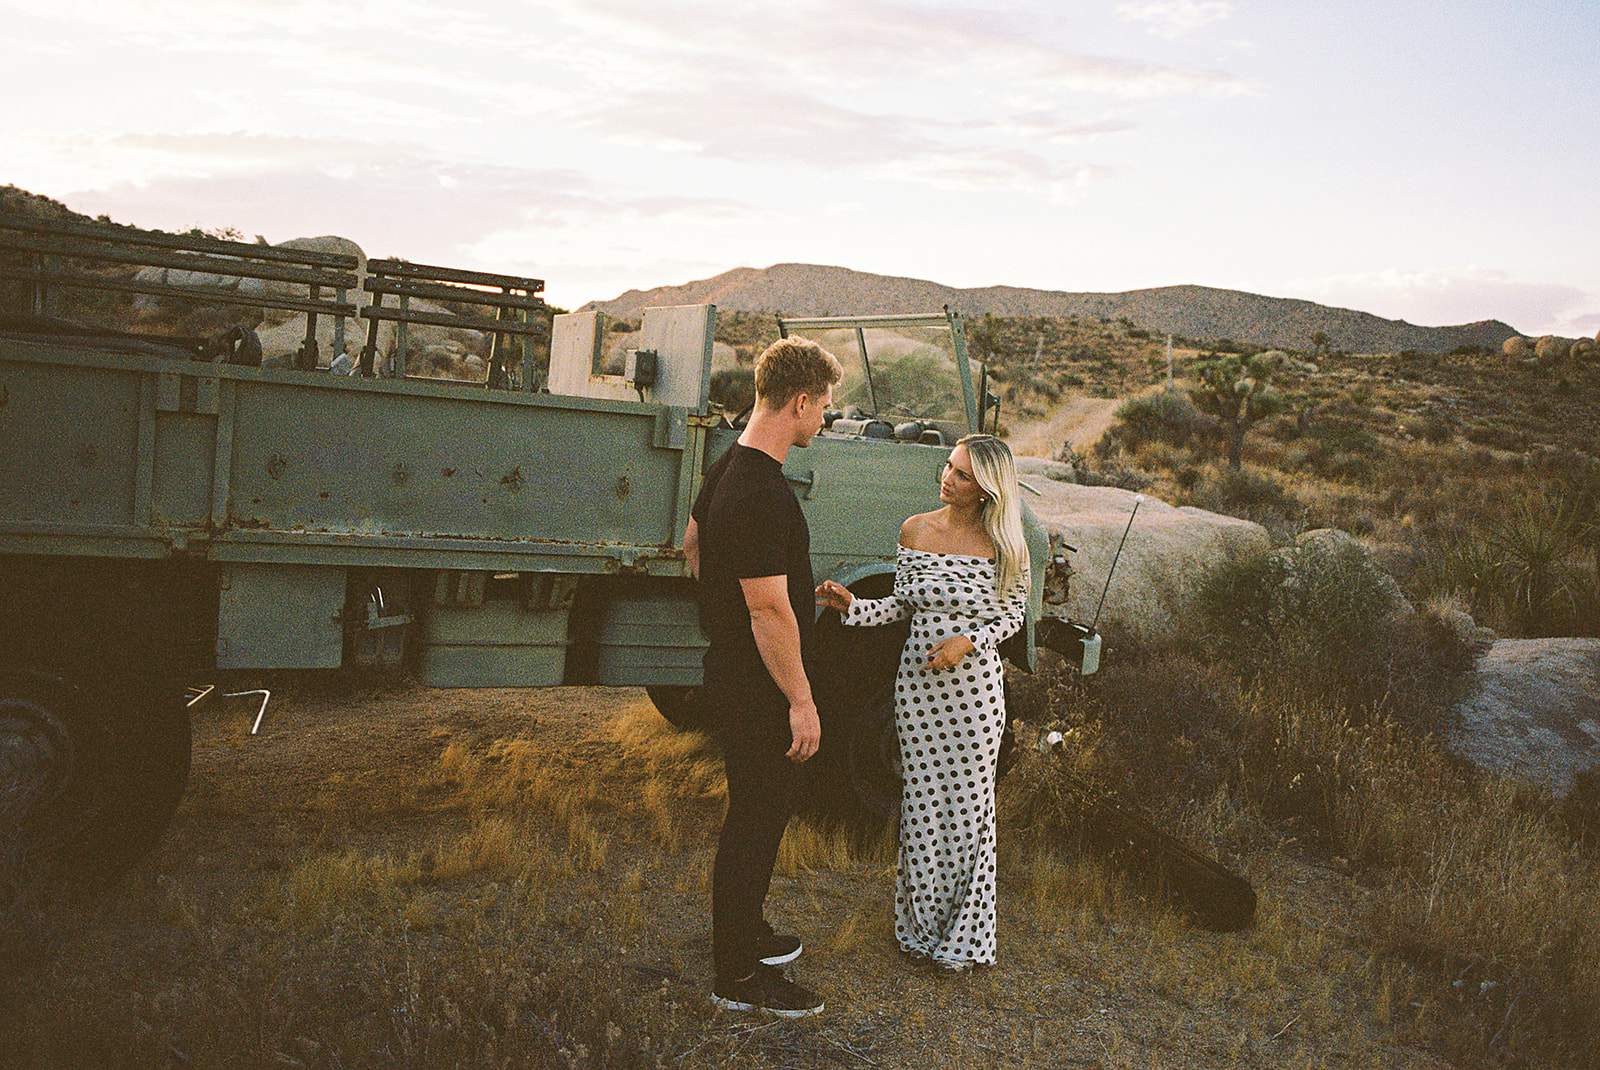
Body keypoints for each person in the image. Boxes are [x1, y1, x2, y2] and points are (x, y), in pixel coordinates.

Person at [815, 434, 1027, 972]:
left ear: (985, 488)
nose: (946, 477)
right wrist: (852, 606)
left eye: (959, 473)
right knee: (922, 808)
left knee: (970, 811)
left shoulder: (1007, 546)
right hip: (917, 692)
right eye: (947, 466)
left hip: (976, 697)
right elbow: (900, 607)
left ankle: (964, 938)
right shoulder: (915, 529)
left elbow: (1013, 617)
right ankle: (918, 930)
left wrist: (969, 643)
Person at [684, 336, 843, 1017]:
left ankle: (745, 932)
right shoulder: (762, 491)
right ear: (800, 402)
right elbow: (767, 608)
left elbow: (694, 547)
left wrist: (734, 607)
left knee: (756, 811)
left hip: (734, 668)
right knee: (756, 818)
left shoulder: (729, 468)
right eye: (825, 408)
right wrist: (801, 699)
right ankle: (739, 979)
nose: (825, 420)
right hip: (761, 686)